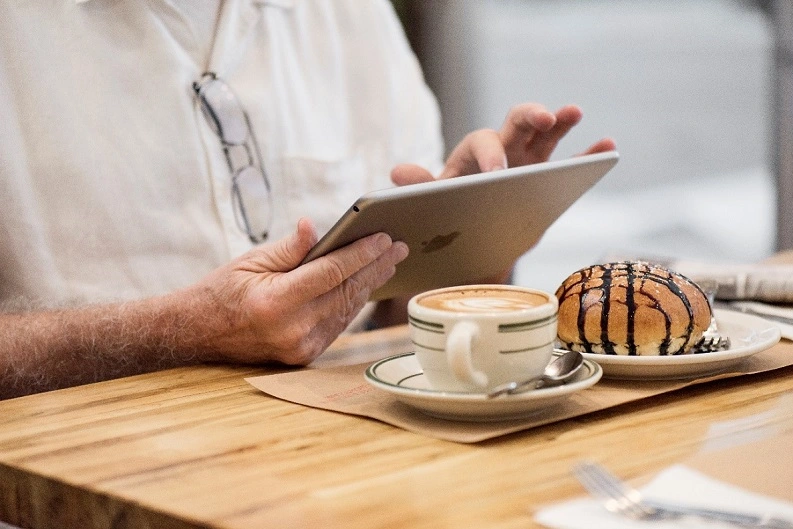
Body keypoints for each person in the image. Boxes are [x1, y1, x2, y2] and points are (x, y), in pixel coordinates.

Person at [0, 0, 615, 400]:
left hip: (338, 465)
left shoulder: (349, 14)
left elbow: (393, 328)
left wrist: (465, 248)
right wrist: (183, 331)